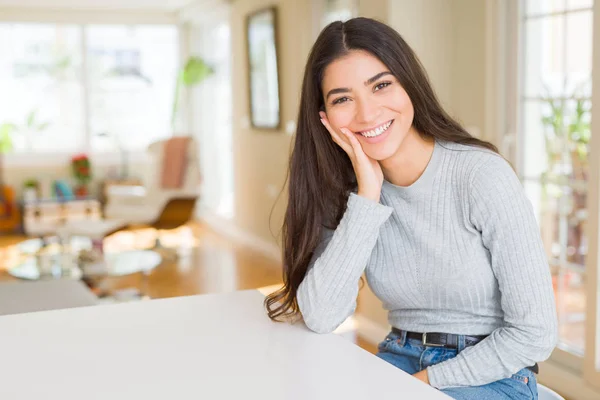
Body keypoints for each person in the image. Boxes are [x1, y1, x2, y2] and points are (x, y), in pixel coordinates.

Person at [264, 17, 557, 399]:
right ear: (325, 117)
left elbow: (534, 333)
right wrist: (368, 197)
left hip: (492, 372)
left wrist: (422, 384)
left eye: (381, 85)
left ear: (409, 85)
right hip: (398, 356)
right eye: (342, 99)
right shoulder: (349, 193)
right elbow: (321, 316)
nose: (366, 114)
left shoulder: (480, 176)